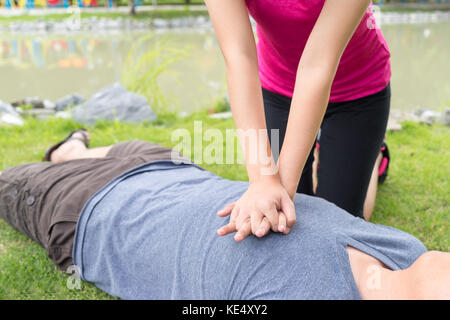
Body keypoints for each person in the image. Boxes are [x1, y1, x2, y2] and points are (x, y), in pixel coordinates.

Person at [0, 131, 449, 300]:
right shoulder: (406, 250)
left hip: (89, 211)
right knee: (111, 149)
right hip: (174, 170)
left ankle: (69, 154)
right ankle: (72, 149)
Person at [204, 0, 392, 240]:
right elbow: (239, 57)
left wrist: (281, 190)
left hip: (358, 90)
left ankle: (373, 157)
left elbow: (318, 62)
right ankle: (324, 154)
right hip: (279, 88)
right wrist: (263, 180)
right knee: (294, 215)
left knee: (336, 222)